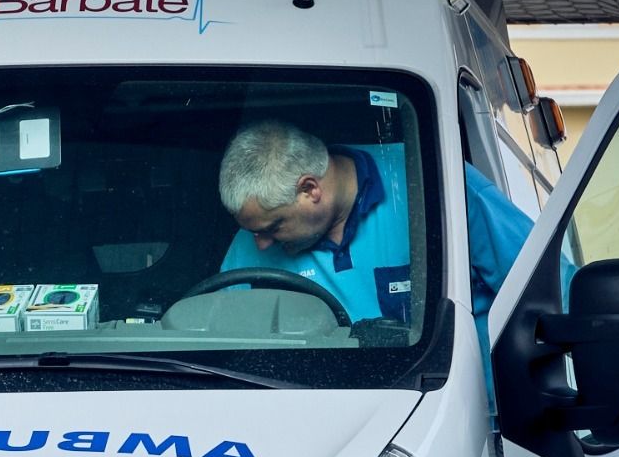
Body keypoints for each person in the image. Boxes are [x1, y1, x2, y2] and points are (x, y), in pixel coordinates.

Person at [216, 120, 535, 394]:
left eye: (273, 227)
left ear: (310, 189)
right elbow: (221, 347)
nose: (260, 245)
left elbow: (540, 287)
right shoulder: (253, 238)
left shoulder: (432, 183)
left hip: (458, 415)